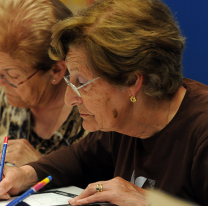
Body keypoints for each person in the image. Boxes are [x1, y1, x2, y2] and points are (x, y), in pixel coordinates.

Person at [0, 0, 208, 205]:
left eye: (81, 83)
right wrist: (23, 175)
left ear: (132, 81)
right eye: (69, 80)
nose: (69, 98)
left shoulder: (201, 131)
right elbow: (78, 160)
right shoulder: (120, 123)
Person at [0, 0, 87, 167]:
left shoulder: (92, 120)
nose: (1, 84)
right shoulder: (6, 100)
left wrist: (42, 166)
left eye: (12, 75)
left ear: (56, 71)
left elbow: (100, 187)